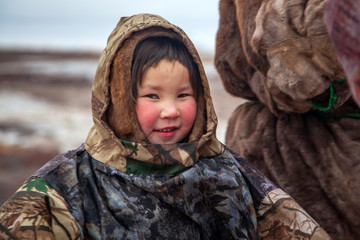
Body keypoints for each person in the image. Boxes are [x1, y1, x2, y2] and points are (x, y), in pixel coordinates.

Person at [0, 13, 330, 239]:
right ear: (118, 98)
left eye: (183, 95)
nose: (170, 111)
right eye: (152, 95)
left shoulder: (231, 172)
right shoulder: (66, 187)